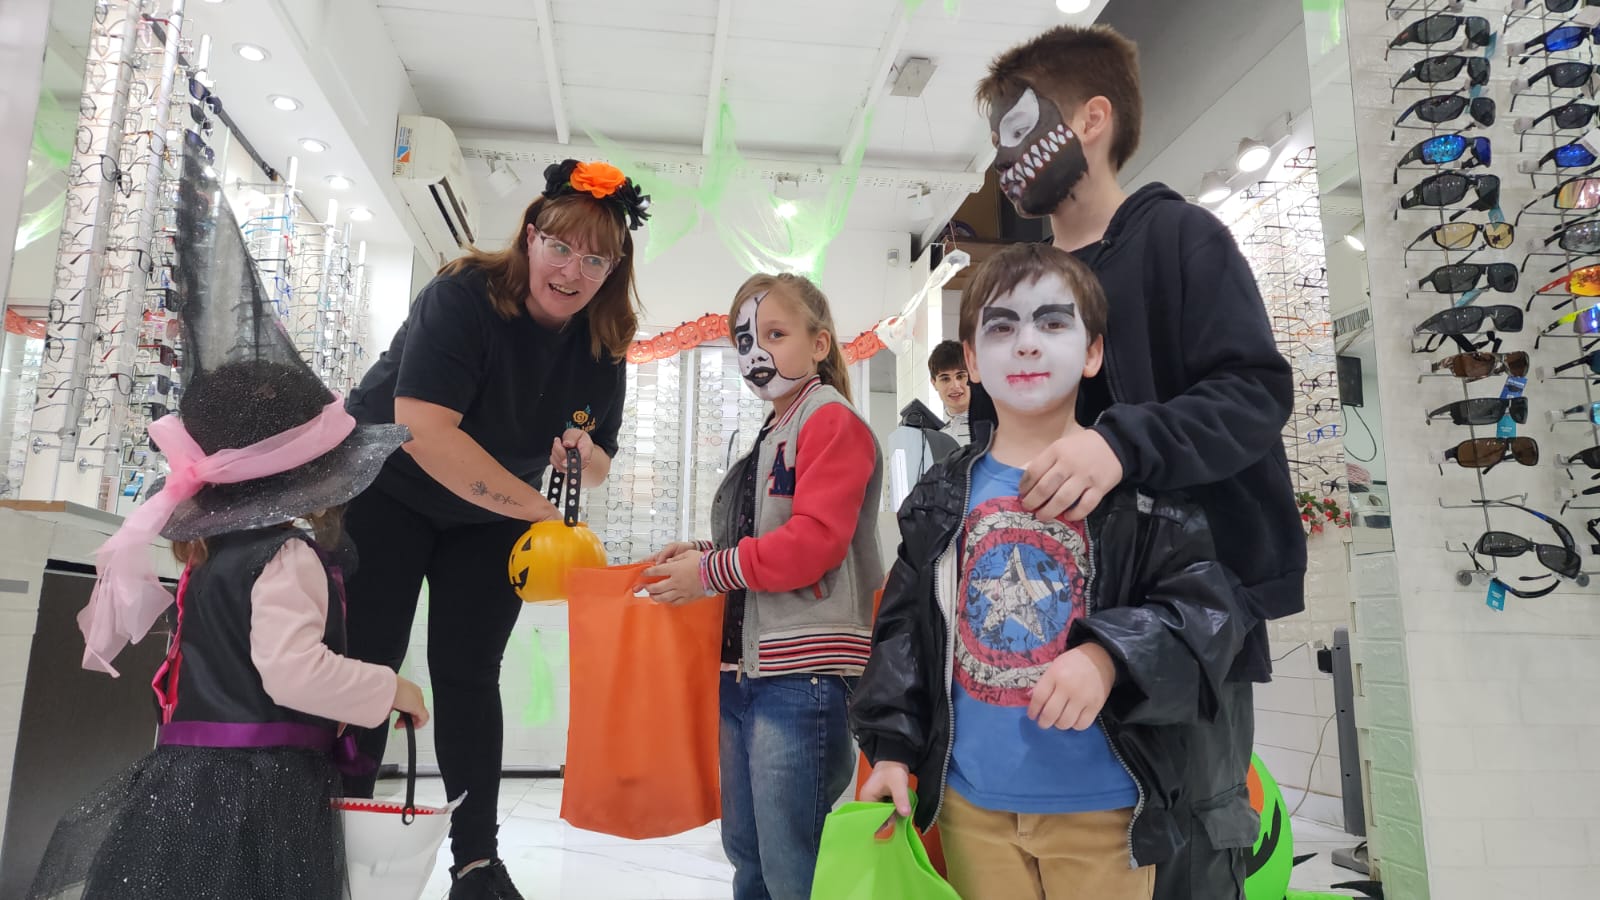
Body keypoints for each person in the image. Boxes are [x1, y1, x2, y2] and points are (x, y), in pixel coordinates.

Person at [31, 142, 428, 900]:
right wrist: (391, 689)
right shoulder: (288, 557)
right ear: (313, 473)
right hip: (260, 790)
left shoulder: (209, 553)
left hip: (181, 782)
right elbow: (294, 671)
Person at [973, 25, 1304, 900]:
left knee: (1181, 855)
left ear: (1091, 119)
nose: (1003, 157)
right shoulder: (1017, 289)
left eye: (1018, 127)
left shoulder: (1183, 241)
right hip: (1039, 631)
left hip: (1184, 633)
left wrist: (1122, 442)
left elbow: (1255, 393)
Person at [851, 244, 1244, 900]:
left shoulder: (1141, 496)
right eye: (1002, 327)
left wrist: (1109, 656)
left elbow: (1204, 613)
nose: (1027, 343)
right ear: (972, 360)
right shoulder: (940, 497)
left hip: (1107, 811)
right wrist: (890, 749)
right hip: (972, 807)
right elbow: (903, 633)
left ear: (1092, 351)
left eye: (1053, 322)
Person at [339, 159, 649, 900]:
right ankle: (329, 838)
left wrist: (583, 455)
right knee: (369, 663)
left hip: (490, 513)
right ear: (530, 236)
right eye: (561, 247)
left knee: (470, 672)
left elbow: (599, 461)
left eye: (595, 259)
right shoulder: (462, 297)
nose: (572, 271)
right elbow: (422, 431)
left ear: (613, 269)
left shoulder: (604, 343)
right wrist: (537, 508)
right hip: (387, 485)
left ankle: (477, 865)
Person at [642, 273, 884, 900]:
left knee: (790, 865)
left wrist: (710, 573)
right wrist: (705, 554)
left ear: (820, 344)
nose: (757, 352)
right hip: (752, 670)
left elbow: (815, 543)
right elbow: (771, 540)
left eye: (775, 334)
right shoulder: (777, 429)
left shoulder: (829, 421)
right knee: (749, 855)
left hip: (802, 675)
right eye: (744, 340)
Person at [929, 339, 972, 444]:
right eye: (945, 379)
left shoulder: (996, 426)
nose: (955, 386)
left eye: (960, 376)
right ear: (934, 383)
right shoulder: (930, 434)